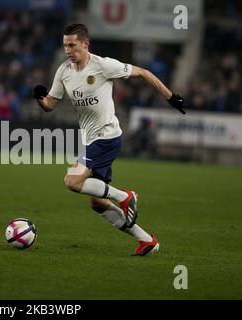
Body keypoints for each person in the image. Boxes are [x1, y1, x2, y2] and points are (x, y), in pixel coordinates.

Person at [33, 24, 186, 256]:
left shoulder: (103, 65)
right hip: (90, 139)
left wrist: (171, 97)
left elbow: (144, 73)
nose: (67, 50)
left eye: (72, 45)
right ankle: (147, 241)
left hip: (106, 136)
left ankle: (125, 196)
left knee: (72, 181)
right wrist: (40, 98)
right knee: (97, 203)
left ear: (85, 44)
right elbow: (50, 105)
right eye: (65, 45)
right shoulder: (63, 70)